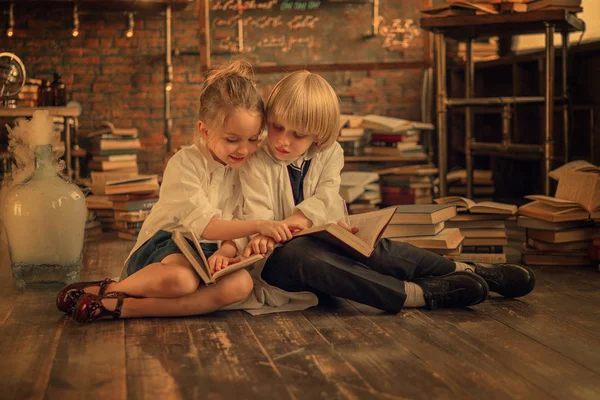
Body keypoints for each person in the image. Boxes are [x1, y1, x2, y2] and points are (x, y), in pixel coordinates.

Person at [238, 70, 536, 313]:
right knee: (301, 253)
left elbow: (328, 196)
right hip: (279, 262)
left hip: (322, 240)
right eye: (277, 127)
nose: (282, 141)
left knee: (374, 247)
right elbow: (258, 214)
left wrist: (313, 222)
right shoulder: (256, 160)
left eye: (298, 135)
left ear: (318, 134)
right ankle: (415, 294)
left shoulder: (329, 152)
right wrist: (281, 229)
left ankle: (465, 270)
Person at [56, 60, 302, 322]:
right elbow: (207, 226)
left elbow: (238, 221)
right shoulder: (185, 163)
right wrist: (261, 224)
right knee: (182, 280)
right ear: (204, 131)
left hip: (209, 253)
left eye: (253, 139)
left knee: (242, 284)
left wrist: (225, 252)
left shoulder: (248, 168)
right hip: (168, 245)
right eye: (232, 140)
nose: (244, 149)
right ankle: (109, 290)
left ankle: (124, 308)